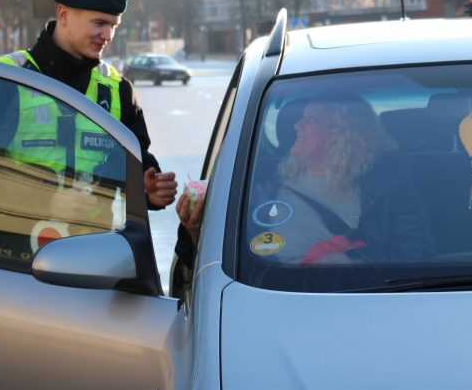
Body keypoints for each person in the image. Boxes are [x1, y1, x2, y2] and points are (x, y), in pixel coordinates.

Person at [0, 0, 177, 211]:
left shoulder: (117, 88)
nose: (108, 35)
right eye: (99, 23)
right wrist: (47, 201)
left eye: (114, 25)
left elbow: (133, 164)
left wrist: (148, 191)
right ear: (64, 14)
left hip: (96, 246)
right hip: (18, 244)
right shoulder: (7, 79)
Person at [176, 94, 436, 268]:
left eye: (311, 119)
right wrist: (195, 231)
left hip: (364, 297)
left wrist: (347, 261)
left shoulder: (388, 186)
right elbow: (215, 265)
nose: (296, 126)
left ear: (342, 133)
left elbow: (418, 250)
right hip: (272, 299)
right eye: (301, 118)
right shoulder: (260, 186)